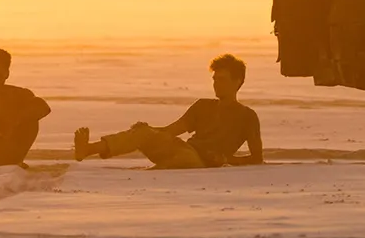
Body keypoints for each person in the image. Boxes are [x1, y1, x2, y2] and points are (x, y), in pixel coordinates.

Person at [74, 53, 262, 169]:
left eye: (222, 79)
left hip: (201, 162)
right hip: (185, 149)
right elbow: (172, 130)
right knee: (144, 133)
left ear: (237, 82)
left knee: (185, 158)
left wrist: (228, 159)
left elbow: (257, 158)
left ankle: (158, 171)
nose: (216, 84)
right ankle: (88, 149)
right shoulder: (203, 105)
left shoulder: (247, 116)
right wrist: (148, 131)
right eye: (214, 79)